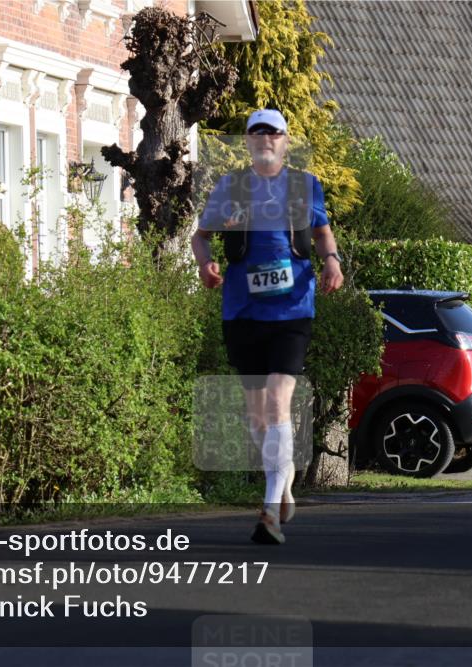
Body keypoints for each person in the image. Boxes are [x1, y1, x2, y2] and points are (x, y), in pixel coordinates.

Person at [192, 109, 344, 544]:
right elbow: (199, 236)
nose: (265, 139)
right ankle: (283, 482)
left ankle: (269, 512)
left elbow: (321, 233)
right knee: (259, 418)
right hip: (242, 309)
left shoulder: (304, 184)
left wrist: (331, 261)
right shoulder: (230, 186)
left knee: (278, 405)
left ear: (285, 140)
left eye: (273, 133)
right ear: (247, 141)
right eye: (257, 132)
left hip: (293, 310)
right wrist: (205, 265)